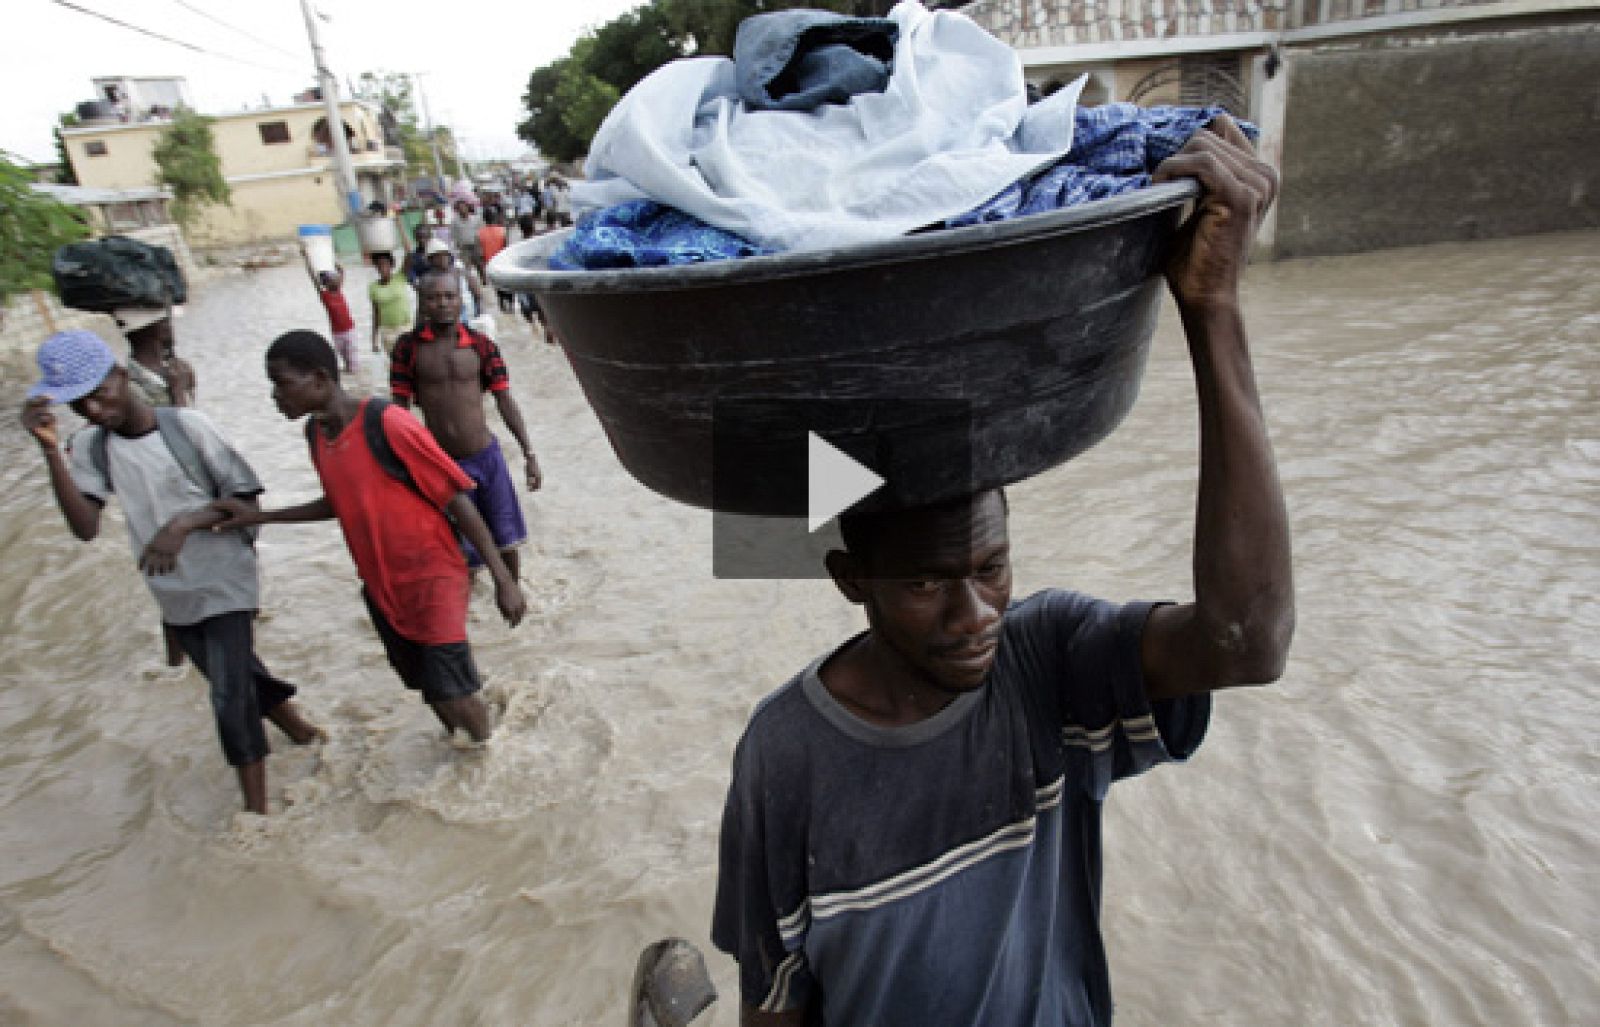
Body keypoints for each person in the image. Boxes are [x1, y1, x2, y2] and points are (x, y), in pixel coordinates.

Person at [711, 116, 1294, 1025]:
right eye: (925, 583)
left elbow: (1248, 640)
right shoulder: (786, 754)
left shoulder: (1049, 663)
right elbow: (775, 994)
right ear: (847, 578)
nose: (974, 612)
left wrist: (1211, 310)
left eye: (992, 566)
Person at [19, 330, 322, 815]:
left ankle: (258, 815)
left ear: (121, 377)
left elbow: (245, 500)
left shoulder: (187, 428)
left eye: (101, 394)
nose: (95, 410)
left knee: (228, 695)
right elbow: (84, 528)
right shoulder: (92, 448)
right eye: (80, 404)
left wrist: (182, 525)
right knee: (238, 673)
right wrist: (51, 451)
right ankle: (302, 732)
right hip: (172, 590)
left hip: (225, 577)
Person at [214, 331, 525, 744]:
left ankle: (490, 754)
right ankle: (464, 748)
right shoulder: (317, 435)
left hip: (432, 576)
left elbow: (459, 501)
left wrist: (504, 580)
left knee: (452, 688)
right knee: (428, 687)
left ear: (321, 379)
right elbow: (340, 501)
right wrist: (260, 516)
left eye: (283, 383)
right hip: (382, 585)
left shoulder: (388, 423)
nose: (275, 396)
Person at [391, 270, 542, 582]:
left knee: (507, 540)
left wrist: (530, 454)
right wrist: (400, 466)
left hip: (487, 458)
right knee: (463, 548)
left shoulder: (481, 346)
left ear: (461, 300)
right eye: (433, 298)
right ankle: (474, 615)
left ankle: (514, 604)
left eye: (449, 296)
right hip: (443, 466)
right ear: (422, 303)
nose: (442, 303)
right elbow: (399, 413)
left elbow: (505, 401)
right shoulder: (409, 349)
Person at [114, 305, 198, 667]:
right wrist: (178, 394)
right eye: (166, 322)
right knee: (173, 581)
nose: (172, 327)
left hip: (195, 484)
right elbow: (173, 432)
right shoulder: (128, 386)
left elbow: (199, 428)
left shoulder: (175, 370)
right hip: (161, 497)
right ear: (154, 330)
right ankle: (176, 664)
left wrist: (184, 387)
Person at [304, 256, 358, 374]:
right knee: (343, 360)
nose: (335, 280)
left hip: (350, 330)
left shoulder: (339, 291)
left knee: (353, 364)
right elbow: (313, 278)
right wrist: (307, 259)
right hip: (337, 333)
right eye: (331, 279)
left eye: (335, 278)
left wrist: (331, 259)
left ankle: (353, 377)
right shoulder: (325, 296)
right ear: (326, 283)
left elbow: (342, 271)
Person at [420, 239, 488, 330]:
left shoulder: (461, 273)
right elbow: (422, 307)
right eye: (438, 256)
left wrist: (480, 311)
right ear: (430, 260)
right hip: (442, 317)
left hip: (467, 314)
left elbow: (478, 295)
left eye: (445, 255)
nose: (443, 259)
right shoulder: (427, 279)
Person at [367, 250, 413, 356]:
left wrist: (401, 232)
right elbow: (376, 313)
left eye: (385, 264)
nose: (382, 268)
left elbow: (409, 253)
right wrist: (374, 339)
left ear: (391, 264)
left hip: (405, 328)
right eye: (378, 265)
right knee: (395, 364)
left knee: (410, 360)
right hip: (387, 332)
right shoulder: (373, 287)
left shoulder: (400, 277)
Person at [477, 209, 516, 314]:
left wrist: (482, 269)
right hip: (504, 262)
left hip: (491, 264)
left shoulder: (480, 233)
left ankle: (502, 303)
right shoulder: (502, 230)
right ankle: (511, 304)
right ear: (494, 218)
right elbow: (507, 247)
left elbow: (481, 253)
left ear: (484, 219)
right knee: (508, 283)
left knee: (497, 285)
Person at [451, 198, 485, 279]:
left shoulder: (476, 218)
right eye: (459, 208)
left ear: (467, 207)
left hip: (476, 245)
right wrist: (457, 247)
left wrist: (481, 244)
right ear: (457, 210)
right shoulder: (454, 222)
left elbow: (482, 231)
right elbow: (454, 235)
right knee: (466, 267)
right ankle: (470, 283)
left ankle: (484, 280)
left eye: (463, 207)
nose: (462, 209)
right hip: (464, 248)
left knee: (480, 265)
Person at [406, 223, 436, 287]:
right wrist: (414, 281)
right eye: (419, 237)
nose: (422, 240)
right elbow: (411, 273)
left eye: (425, 237)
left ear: (430, 236)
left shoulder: (439, 252)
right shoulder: (413, 256)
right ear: (415, 238)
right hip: (422, 287)